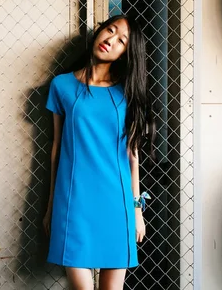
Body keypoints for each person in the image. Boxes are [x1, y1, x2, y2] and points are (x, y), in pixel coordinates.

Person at [43, 15, 155, 289]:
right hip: (73, 198)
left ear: (125, 53)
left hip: (116, 201)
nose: (110, 40)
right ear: (99, 31)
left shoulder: (127, 93)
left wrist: (137, 209)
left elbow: (132, 155)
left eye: (121, 41)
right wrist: (50, 207)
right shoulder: (62, 85)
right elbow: (56, 148)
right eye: (110, 30)